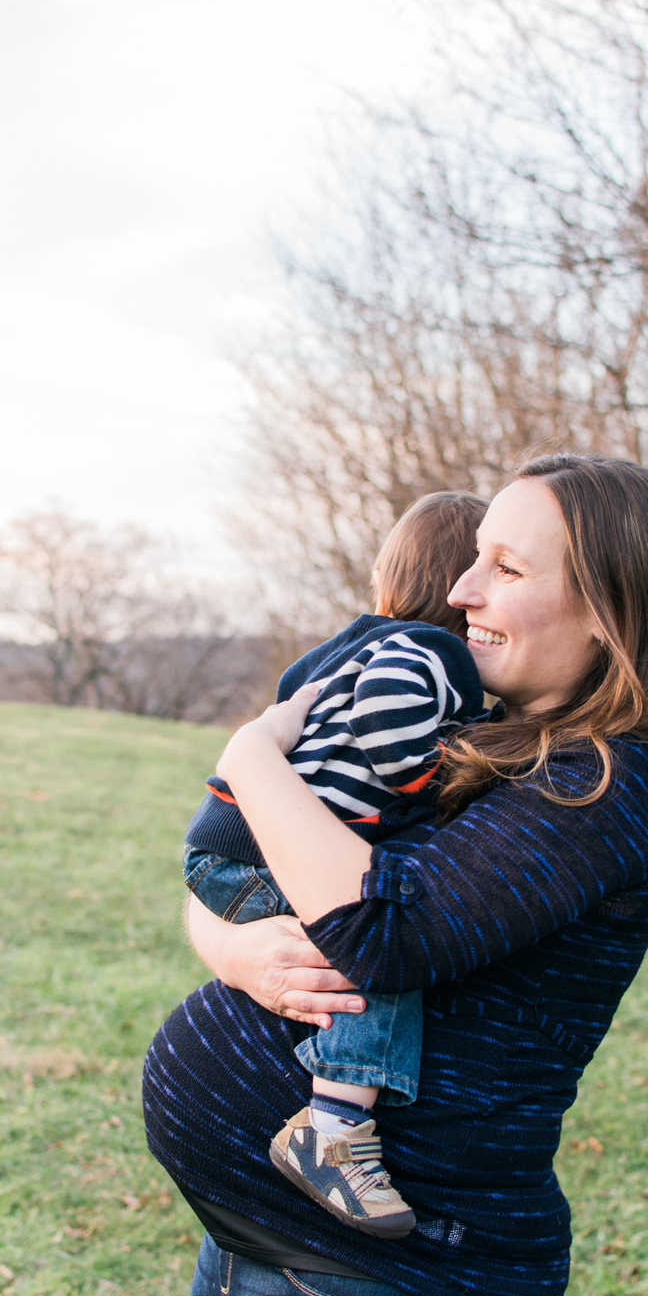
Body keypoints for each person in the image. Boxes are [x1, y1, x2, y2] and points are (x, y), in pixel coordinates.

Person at [143, 453, 648, 1296]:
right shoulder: (483, 736)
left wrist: (247, 753)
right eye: (473, 556)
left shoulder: (599, 784)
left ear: (610, 612)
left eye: (508, 568)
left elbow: (378, 931)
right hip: (266, 1246)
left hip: (385, 1287)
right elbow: (265, 875)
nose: (461, 588)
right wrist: (228, 950)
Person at [181, 491, 488, 1238]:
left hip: (228, 839)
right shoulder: (429, 652)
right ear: (462, 595)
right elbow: (387, 718)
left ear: (388, 578)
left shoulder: (352, 644)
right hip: (269, 847)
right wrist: (436, 772)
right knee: (368, 952)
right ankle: (334, 1126)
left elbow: (296, 708)